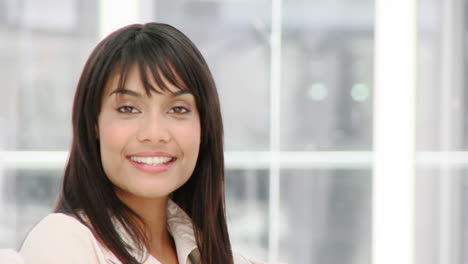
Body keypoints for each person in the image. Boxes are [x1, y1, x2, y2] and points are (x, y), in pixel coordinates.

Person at [19, 23, 263, 264]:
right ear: (94, 124)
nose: (154, 133)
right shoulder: (63, 242)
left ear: (205, 126)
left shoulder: (219, 256)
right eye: (128, 108)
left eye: (178, 109)